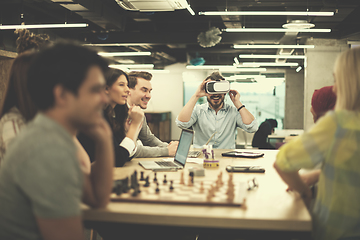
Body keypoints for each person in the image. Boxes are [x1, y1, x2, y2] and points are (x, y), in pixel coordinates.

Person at [0, 42, 114, 240]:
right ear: (62, 95)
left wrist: (104, 141)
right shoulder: (46, 149)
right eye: (95, 90)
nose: (104, 99)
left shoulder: (53, 136)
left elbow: (97, 198)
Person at [274, 47, 360, 240]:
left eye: (337, 80)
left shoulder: (339, 124)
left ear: (350, 84)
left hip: (336, 231)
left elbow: (282, 161)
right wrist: (319, 174)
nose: (335, 89)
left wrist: (304, 191)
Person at [78, 68, 144, 167]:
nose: (127, 90)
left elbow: (125, 155)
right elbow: (116, 160)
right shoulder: (96, 116)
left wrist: (128, 131)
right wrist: (134, 126)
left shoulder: (112, 116)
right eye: (121, 85)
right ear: (106, 89)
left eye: (127, 85)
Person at [176, 71, 258, 149]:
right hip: (202, 157)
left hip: (227, 157)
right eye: (211, 89)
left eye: (219, 89)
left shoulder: (233, 112)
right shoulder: (198, 110)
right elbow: (181, 124)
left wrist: (237, 103)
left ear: (225, 92)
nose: (216, 94)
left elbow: (252, 127)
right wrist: (196, 96)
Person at [127, 71, 179, 157]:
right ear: (129, 90)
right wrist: (166, 151)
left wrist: (171, 148)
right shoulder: (118, 113)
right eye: (144, 90)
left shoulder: (138, 112)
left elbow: (148, 139)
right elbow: (131, 150)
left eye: (149, 91)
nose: (149, 96)